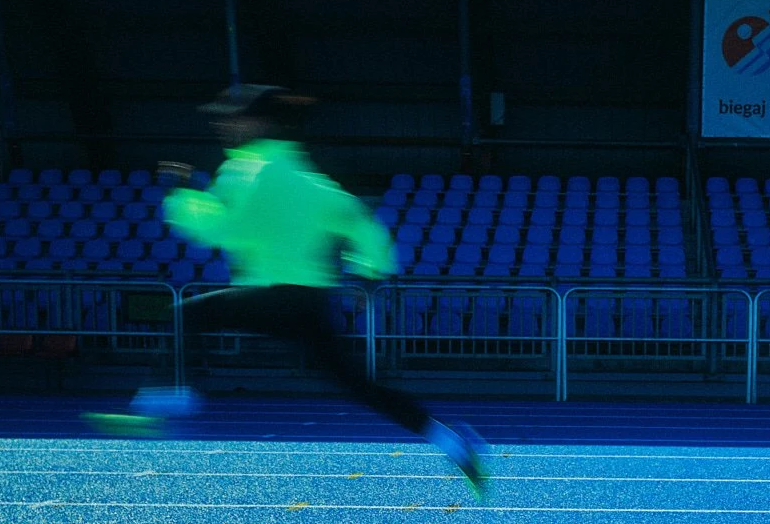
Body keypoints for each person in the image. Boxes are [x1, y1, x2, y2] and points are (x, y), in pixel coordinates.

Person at [84, 84, 488, 495]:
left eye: (231, 117)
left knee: (188, 313)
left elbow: (223, 230)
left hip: (273, 296)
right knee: (360, 388)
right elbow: (357, 219)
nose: (222, 125)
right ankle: (453, 443)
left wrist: (180, 194)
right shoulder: (306, 175)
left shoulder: (249, 170)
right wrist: (370, 268)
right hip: (308, 303)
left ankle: (167, 397)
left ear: (257, 122)